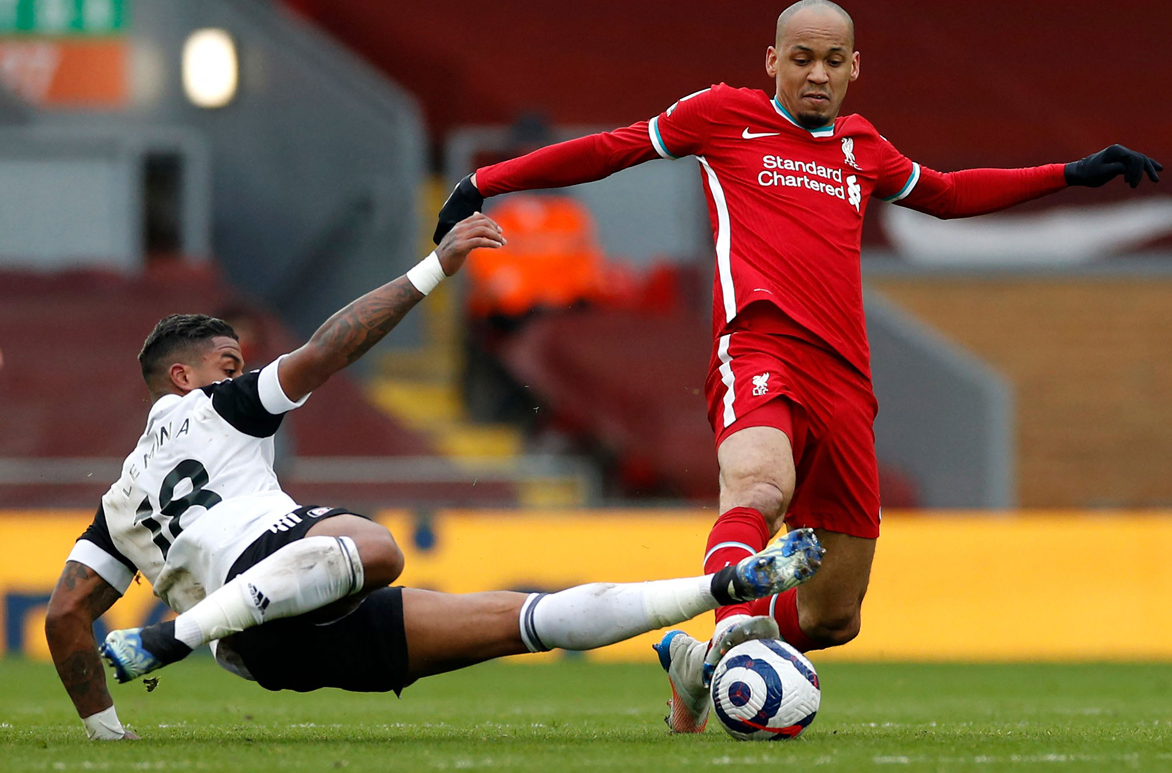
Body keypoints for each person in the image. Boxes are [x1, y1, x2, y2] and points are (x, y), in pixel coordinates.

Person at [431, 0, 1163, 733]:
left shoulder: (862, 146)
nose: (818, 74)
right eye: (802, 58)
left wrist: (1068, 173)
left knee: (835, 615)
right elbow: (611, 148)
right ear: (773, 61)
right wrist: (487, 180)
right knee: (758, 485)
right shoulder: (720, 116)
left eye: (833, 61)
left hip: (845, 385)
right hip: (758, 348)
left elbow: (945, 193)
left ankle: (703, 660)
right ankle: (733, 634)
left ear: (854, 70)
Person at [43, 213, 824, 741]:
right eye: (228, 361)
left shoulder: (119, 503)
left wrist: (106, 737)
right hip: (267, 581)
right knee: (379, 548)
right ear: (182, 376)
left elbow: (66, 616)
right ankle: (173, 638)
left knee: (524, 621)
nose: (242, 368)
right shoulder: (215, 405)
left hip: (272, 652)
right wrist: (433, 268)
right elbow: (327, 351)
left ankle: (714, 596)